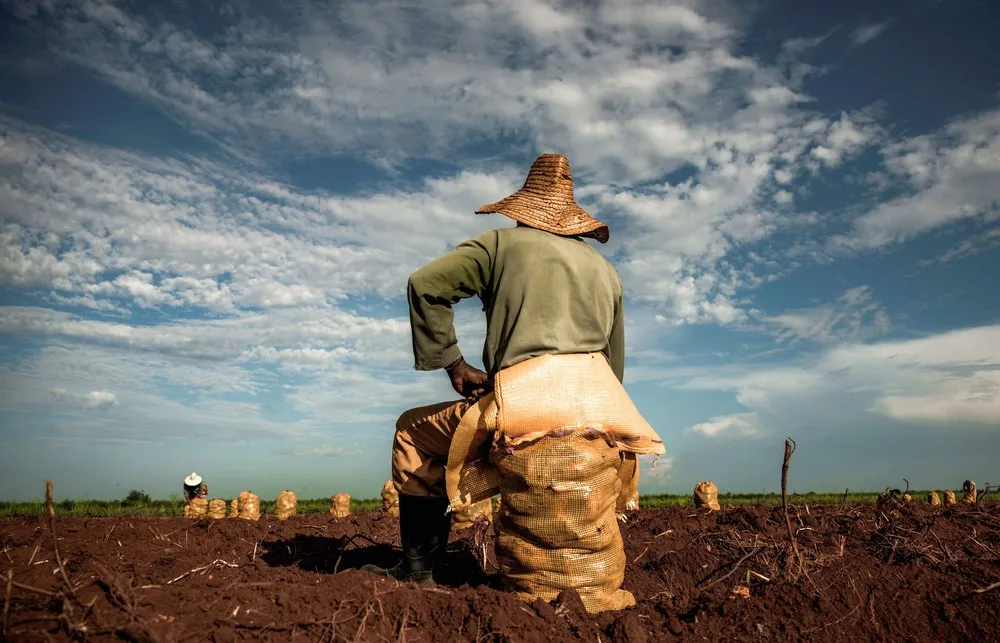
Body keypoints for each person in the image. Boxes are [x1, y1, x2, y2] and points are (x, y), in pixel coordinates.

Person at [362, 153, 626, 584]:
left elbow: (425, 285)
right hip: (594, 409)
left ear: (522, 211)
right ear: (572, 220)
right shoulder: (606, 272)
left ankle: (418, 571)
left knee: (411, 431)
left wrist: (454, 364)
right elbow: (614, 366)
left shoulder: (500, 245)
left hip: (523, 406)